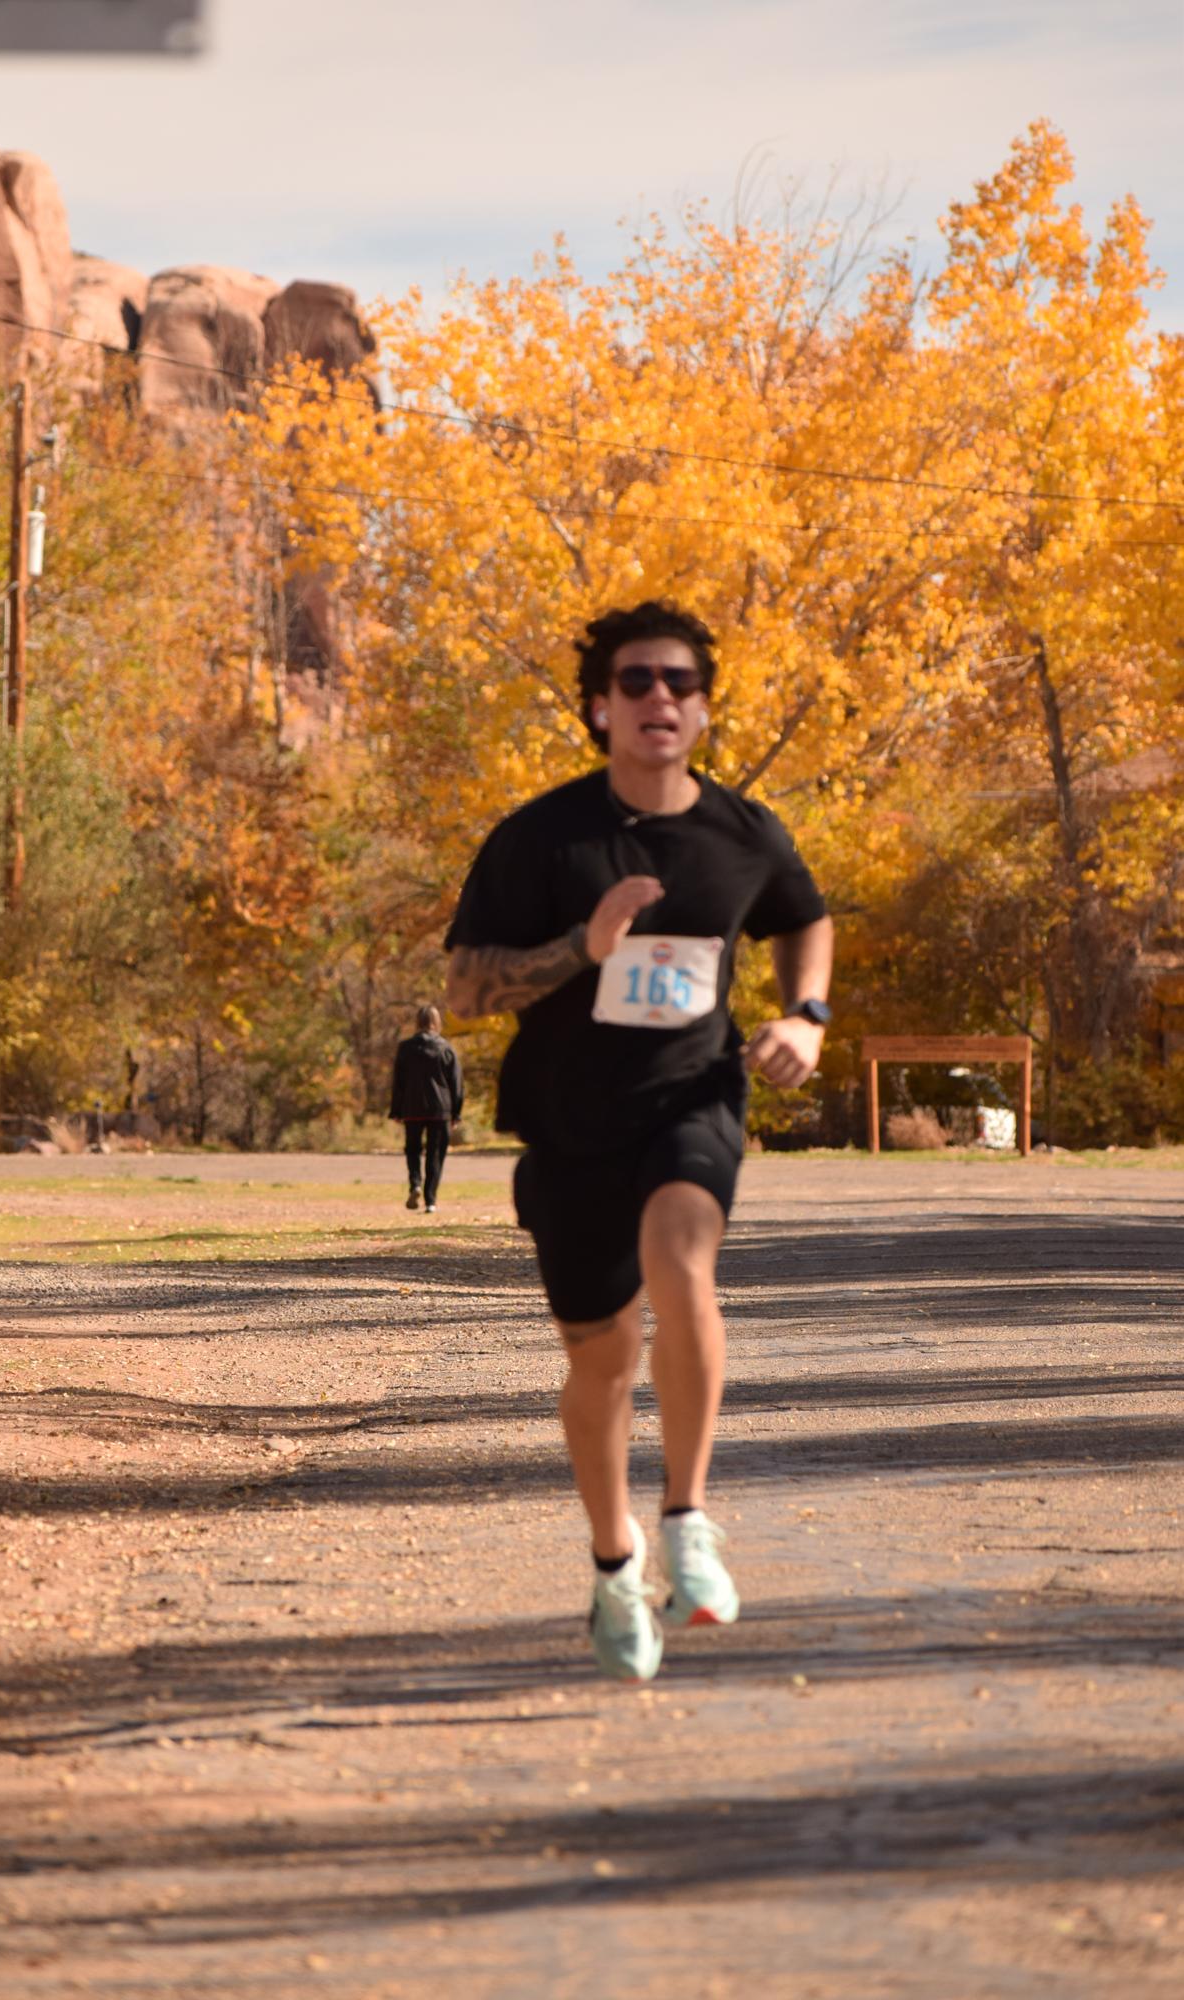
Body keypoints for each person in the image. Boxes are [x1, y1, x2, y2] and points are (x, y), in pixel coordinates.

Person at [444, 601, 833, 1682]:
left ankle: (688, 1519)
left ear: (702, 709)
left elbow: (805, 914)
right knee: (603, 1360)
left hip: (692, 1099)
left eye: (679, 681)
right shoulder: (544, 837)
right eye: (635, 681)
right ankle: (616, 1563)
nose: (659, 696)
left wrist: (807, 1014)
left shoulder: (744, 834)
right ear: (599, 708)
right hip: (569, 1127)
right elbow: (465, 988)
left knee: (682, 1256)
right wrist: (584, 943)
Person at [389, 1005, 464, 1213]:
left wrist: (396, 1109)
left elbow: (399, 1082)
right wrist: (456, 1112)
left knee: (412, 1149)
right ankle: (431, 1200)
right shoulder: (446, 1048)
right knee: (435, 1154)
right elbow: (456, 1082)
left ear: (418, 1022)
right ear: (436, 1022)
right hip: (440, 1109)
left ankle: (415, 1184)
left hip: (412, 1107)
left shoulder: (406, 1048)